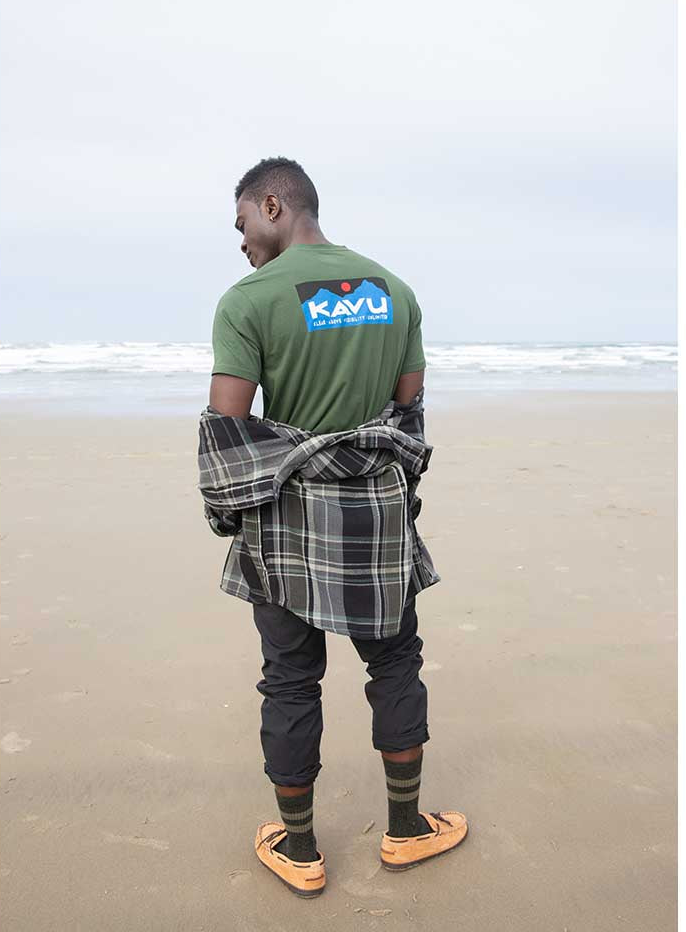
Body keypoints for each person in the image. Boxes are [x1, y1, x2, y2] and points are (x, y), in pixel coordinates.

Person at [207, 156, 468, 897]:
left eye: (242, 223)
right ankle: (406, 831)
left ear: (272, 205)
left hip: (286, 524)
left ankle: (299, 849)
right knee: (396, 664)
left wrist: (226, 512)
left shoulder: (248, 300)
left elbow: (226, 430)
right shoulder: (395, 290)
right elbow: (408, 412)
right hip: (376, 514)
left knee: (291, 679)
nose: (241, 240)